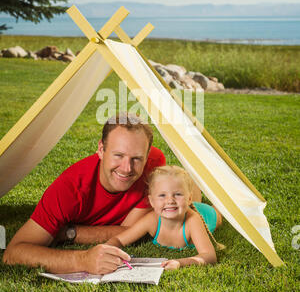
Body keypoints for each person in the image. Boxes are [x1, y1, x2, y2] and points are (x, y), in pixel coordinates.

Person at [3, 113, 166, 274]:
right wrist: (83, 260)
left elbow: (131, 231)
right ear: (101, 150)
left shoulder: (153, 164)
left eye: (137, 158)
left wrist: (69, 233)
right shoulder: (69, 188)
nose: (127, 168)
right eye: (118, 155)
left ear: (146, 156)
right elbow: (13, 253)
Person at [106, 165, 224, 269]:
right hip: (184, 207)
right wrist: (106, 250)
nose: (170, 200)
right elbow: (119, 240)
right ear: (151, 201)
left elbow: (209, 256)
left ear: (188, 199)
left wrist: (180, 263)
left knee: (220, 212)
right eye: (162, 195)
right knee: (185, 203)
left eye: (177, 194)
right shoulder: (152, 220)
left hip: (206, 214)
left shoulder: (193, 221)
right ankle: (192, 188)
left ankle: (220, 197)